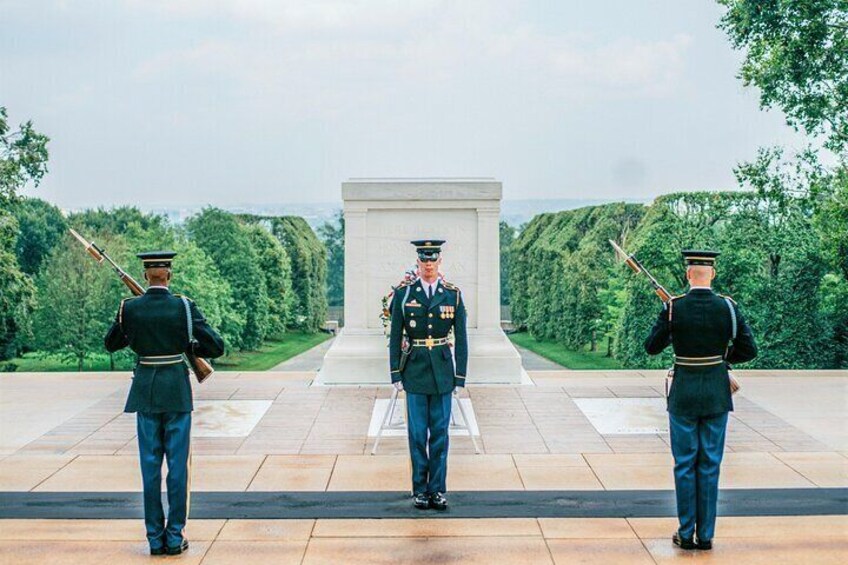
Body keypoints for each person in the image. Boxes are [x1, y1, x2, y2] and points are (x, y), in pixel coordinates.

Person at [104, 251, 224, 556]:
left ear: (146, 276)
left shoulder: (129, 308)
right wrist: (189, 346)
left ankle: (154, 539)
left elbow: (111, 344)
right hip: (176, 390)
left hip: (146, 390)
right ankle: (175, 536)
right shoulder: (183, 306)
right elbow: (216, 346)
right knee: (178, 468)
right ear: (168, 275)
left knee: (150, 468)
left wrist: (132, 326)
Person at [644, 250, 757, 551]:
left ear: (687, 274)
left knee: (684, 464)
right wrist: (721, 360)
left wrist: (670, 324)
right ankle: (705, 535)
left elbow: (652, 347)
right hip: (716, 394)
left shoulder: (674, 307)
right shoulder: (728, 308)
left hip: (683, 395)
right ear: (713, 274)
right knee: (710, 464)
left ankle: (685, 532)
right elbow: (749, 350)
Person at [388, 239, 468, 510]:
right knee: (417, 433)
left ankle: (437, 489)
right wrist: (395, 373)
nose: (429, 265)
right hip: (416, 370)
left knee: (440, 435)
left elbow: (462, 338)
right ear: (418, 263)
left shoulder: (452, 294)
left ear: (439, 262)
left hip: (443, 373)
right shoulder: (404, 294)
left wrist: (460, 376)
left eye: (433, 260)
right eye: (424, 261)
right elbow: (395, 336)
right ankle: (419, 489)